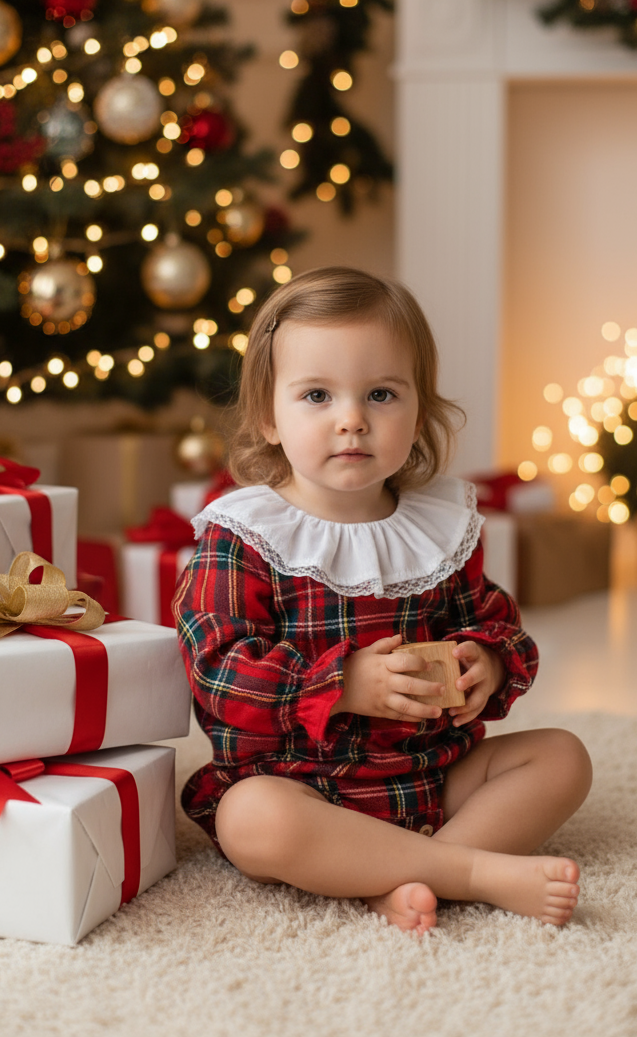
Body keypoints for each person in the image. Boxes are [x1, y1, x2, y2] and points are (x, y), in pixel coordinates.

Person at [173, 267, 592, 935]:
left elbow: (496, 622)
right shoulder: (244, 534)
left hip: (430, 777)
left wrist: (487, 662)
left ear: (418, 412)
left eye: (381, 394)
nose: (352, 420)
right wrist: (340, 686)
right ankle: (470, 872)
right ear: (268, 417)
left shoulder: (439, 525)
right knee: (250, 819)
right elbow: (218, 676)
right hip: (303, 787)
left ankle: (392, 876)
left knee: (563, 757)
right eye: (317, 395)